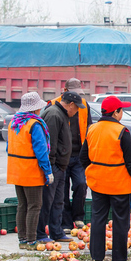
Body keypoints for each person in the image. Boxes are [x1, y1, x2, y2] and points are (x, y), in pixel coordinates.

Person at [80, 96, 131, 261]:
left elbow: (83, 157)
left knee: (98, 218)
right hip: (119, 184)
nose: (123, 113)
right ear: (115, 112)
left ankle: (97, 259)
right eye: (121, 110)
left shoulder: (92, 129)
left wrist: (93, 169)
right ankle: (120, 259)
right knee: (121, 220)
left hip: (98, 182)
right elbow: (130, 162)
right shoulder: (122, 131)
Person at [7, 92, 53, 250]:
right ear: (35, 109)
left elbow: (9, 147)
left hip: (16, 170)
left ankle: (22, 239)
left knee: (22, 205)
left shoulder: (14, 122)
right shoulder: (35, 124)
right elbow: (41, 152)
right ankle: (32, 241)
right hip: (31, 171)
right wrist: (48, 171)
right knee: (34, 205)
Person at [36, 92, 84, 244]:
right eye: (76, 108)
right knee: (46, 200)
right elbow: (50, 144)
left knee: (58, 201)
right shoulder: (54, 115)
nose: (77, 112)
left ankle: (56, 231)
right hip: (54, 166)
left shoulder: (62, 114)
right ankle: (40, 233)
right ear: (70, 104)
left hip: (61, 166)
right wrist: (50, 167)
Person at [49, 78, 92, 232]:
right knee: (63, 189)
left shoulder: (84, 105)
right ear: (65, 91)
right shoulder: (53, 105)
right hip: (62, 156)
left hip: (78, 155)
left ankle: (78, 217)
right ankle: (66, 223)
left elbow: (89, 129)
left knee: (81, 184)